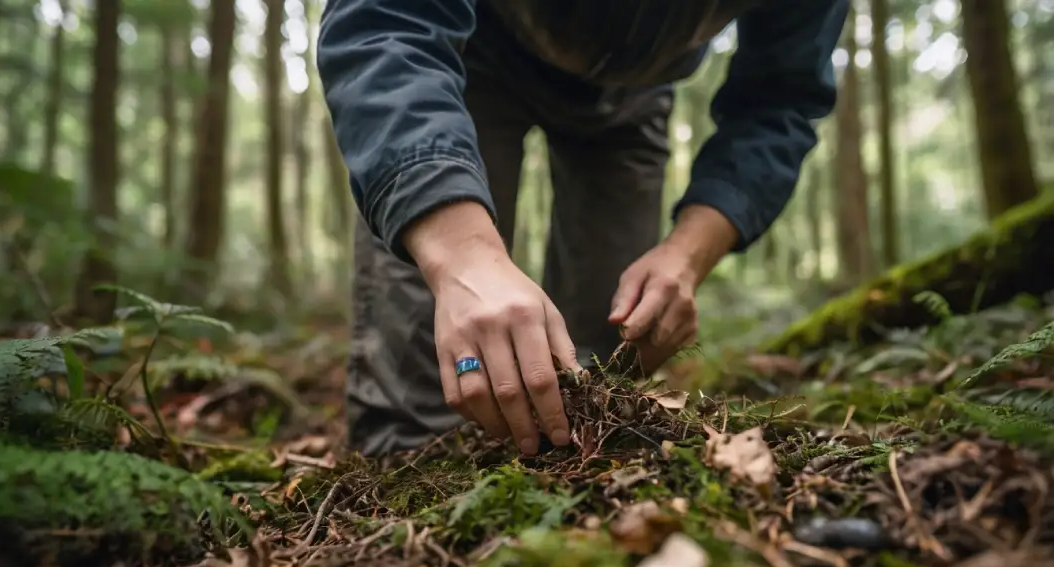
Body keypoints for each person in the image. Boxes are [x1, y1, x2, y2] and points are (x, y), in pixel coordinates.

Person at [316, 0, 849, 458]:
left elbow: (780, 99)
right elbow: (385, 21)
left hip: (635, 92)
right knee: (428, 377)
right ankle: (401, 501)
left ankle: (570, 479)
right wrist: (460, 255)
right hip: (465, 53)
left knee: (605, 357)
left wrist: (688, 253)